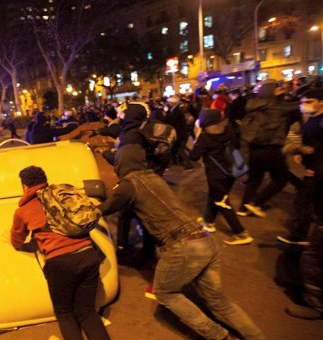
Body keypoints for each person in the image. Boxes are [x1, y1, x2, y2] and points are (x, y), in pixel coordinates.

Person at [98, 144, 264, 340]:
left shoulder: (129, 184)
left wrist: (88, 210)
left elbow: (106, 208)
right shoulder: (152, 176)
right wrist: (107, 152)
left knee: (165, 293)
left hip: (183, 246)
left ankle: (218, 336)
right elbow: (119, 158)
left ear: (122, 164)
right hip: (204, 240)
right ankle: (256, 337)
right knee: (218, 300)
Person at [10, 166, 110, 340]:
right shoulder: (62, 196)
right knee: (87, 312)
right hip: (88, 255)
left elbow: (16, 239)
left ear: (24, 186)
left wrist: (21, 244)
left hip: (60, 263)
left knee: (65, 313)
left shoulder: (23, 210)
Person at [189, 109, 254, 245]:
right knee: (216, 197)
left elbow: (194, 156)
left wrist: (198, 138)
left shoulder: (205, 137)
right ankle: (209, 222)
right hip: (231, 171)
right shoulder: (229, 130)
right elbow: (236, 145)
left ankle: (241, 233)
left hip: (216, 175)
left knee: (222, 202)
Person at [238, 80, 299, 217]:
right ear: (272, 91)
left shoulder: (254, 105)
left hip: (254, 148)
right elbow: (299, 105)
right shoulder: (277, 106)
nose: (281, 89)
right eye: (277, 88)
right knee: (281, 178)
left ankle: (243, 207)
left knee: (254, 179)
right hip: (272, 148)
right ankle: (256, 203)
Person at [278, 88, 323, 245]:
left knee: (302, 201)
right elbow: (309, 139)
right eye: (303, 102)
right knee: (317, 198)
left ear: (321, 102)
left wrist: (315, 168)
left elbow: (319, 147)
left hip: (317, 168)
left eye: (309, 102)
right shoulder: (311, 117)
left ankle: (300, 236)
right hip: (313, 166)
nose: (304, 105)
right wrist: (301, 152)